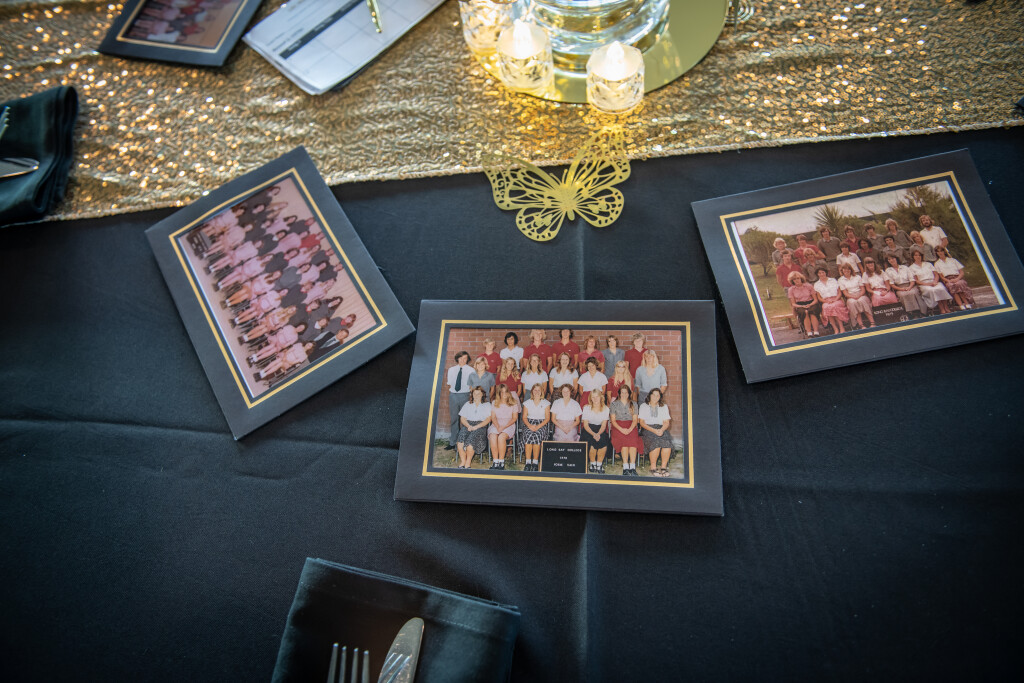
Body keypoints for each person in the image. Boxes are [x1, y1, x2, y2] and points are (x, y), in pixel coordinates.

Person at [609, 385, 643, 476]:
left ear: (629, 394)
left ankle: (632, 467)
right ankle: (625, 467)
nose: (624, 394)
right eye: (622, 392)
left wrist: (630, 429)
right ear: (619, 393)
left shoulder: (634, 404)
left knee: (633, 441)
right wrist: (622, 429)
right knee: (624, 441)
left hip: (631, 425)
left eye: (626, 392)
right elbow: (613, 420)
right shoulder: (614, 404)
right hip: (618, 426)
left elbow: (635, 420)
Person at [455, 386, 491, 469]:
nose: (476, 395)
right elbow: (462, 418)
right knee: (460, 442)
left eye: (479, 394)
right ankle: (463, 462)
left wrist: (476, 427)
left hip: (480, 426)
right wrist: (468, 426)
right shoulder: (467, 404)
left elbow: (488, 419)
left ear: (482, 394)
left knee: (470, 444)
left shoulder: (487, 405)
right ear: (472, 394)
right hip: (468, 425)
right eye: (475, 393)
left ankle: (468, 463)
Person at [639, 388, 672, 477]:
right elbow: (642, 423)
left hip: (661, 428)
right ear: (650, 395)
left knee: (667, 443)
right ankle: (653, 468)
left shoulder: (664, 406)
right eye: (653, 395)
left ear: (660, 397)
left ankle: (663, 468)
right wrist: (654, 430)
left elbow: (666, 422)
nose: (655, 397)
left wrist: (661, 430)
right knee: (656, 442)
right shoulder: (644, 406)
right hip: (648, 429)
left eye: (657, 395)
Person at [884, 253, 928, 318]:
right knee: (903, 295)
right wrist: (901, 289)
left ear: (896, 259)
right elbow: (892, 284)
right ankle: (911, 313)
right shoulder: (888, 270)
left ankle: (921, 312)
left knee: (913, 292)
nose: (891, 260)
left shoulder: (905, 267)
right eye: (889, 259)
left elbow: (912, 279)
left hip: (910, 285)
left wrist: (910, 287)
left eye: (893, 258)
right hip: (899, 287)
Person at [909, 249, 952, 314]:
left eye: (919, 255)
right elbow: (916, 281)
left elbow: (936, 275)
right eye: (916, 255)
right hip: (923, 284)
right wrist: (927, 284)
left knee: (941, 288)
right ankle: (941, 308)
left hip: (933, 281)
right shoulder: (911, 267)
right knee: (932, 290)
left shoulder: (928, 264)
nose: (918, 257)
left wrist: (935, 281)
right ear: (913, 257)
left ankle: (946, 307)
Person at [487, 385, 519, 470]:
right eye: (502, 392)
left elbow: (514, 418)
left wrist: (504, 427)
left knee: (501, 437)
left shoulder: (513, 403)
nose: (504, 394)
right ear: (499, 393)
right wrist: (498, 426)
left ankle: (501, 461)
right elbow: (493, 417)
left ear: (508, 392)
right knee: (493, 436)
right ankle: (495, 461)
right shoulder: (494, 402)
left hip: (509, 424)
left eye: (506, 392)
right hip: (496, 423)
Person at [446, 351, 474, 450]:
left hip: (465, 395)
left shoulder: (471, 370)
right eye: (461, 358)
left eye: (465, 358)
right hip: (453, 395)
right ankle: (453, 442)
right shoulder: (451, 370)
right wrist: (453, 394)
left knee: (464, 420)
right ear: (457, 358)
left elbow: (472, 385)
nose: (462, 360)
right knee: (454, 419)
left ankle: (463, 442)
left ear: (467, 359)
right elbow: (450, 384)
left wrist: (470, 396)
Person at [933, 245, 975, 310]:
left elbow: (961, 272)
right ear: (936, 253)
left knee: (959, 284)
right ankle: (960, 305)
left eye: (941, 251)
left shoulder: (952, 260)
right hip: (947, 279)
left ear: (944, 251)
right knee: (951, 285)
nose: (940, 253)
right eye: (938, 251)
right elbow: (941, 276)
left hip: (957, 277)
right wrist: (948, 280)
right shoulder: (937, 263)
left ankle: (967, 303)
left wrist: (957, 279)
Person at [521, 383, 551, 472]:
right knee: (528, 435)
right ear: (532, 391)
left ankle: (535, 462)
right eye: (535, 390)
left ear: (542, 392)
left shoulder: (546, 403)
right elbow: (524, 417)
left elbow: (547, 418)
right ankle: (528, 463)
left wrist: (538, 426)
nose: (537, 392)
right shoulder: (527, 403)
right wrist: (530, 426)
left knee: (537, 436)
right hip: (529, 423)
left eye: (539, 390)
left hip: (541, 424)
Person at [581, 390, 612, 474]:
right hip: (588, 429)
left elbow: (604, 425)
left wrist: (598, 434)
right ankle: (592, 464)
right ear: (590, 398)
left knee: (603, 441)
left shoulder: (606, 409)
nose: (595, 399)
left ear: (601, 397)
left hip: (600, 429)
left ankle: (599, 465)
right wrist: (593, 434)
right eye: (593, 397)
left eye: (597, 397)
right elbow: (585, 425)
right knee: (591, 441)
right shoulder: (586, 408)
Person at [838, 263, 875, 328]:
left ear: (851, 270)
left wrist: (859, 295)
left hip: (860, 294)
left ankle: (872, 322)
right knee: (853, 303)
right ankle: (861, 325)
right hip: (850, 296)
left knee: (862, 301)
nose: (846, 271)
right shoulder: (840, 280)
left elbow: (863, 289)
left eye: (848, 269)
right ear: (842, 271)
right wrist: (853, 296)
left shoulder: (857, 277)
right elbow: (845, 293)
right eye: (844, 269)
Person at [814, 266, 849, 334]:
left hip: (836, 299)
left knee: (834, 306)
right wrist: (827, 301)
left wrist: (835, 299)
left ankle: (841, 327)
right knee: (826, 307)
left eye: (823, 272)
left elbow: (839, 293)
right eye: (819, 273)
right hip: (826, 301)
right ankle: (835, 328)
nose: (821, 274)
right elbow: (819, 298)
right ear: (817, 274)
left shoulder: (833, 280)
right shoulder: (816, 284)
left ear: (826, 273)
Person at [787, 271, 821, 337]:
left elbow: (815, 300)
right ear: (792, 281)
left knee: (812, 311)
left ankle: (816, 331)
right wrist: (801, 306)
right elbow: (793, 304)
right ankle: (809, 332)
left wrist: (810, 305)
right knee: (805, 312)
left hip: (811, 303)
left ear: (801, 278)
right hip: (799, 304)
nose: (796, 280)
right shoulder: (791, 289)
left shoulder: (808, 286)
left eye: (798, 278)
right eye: (794, 279)